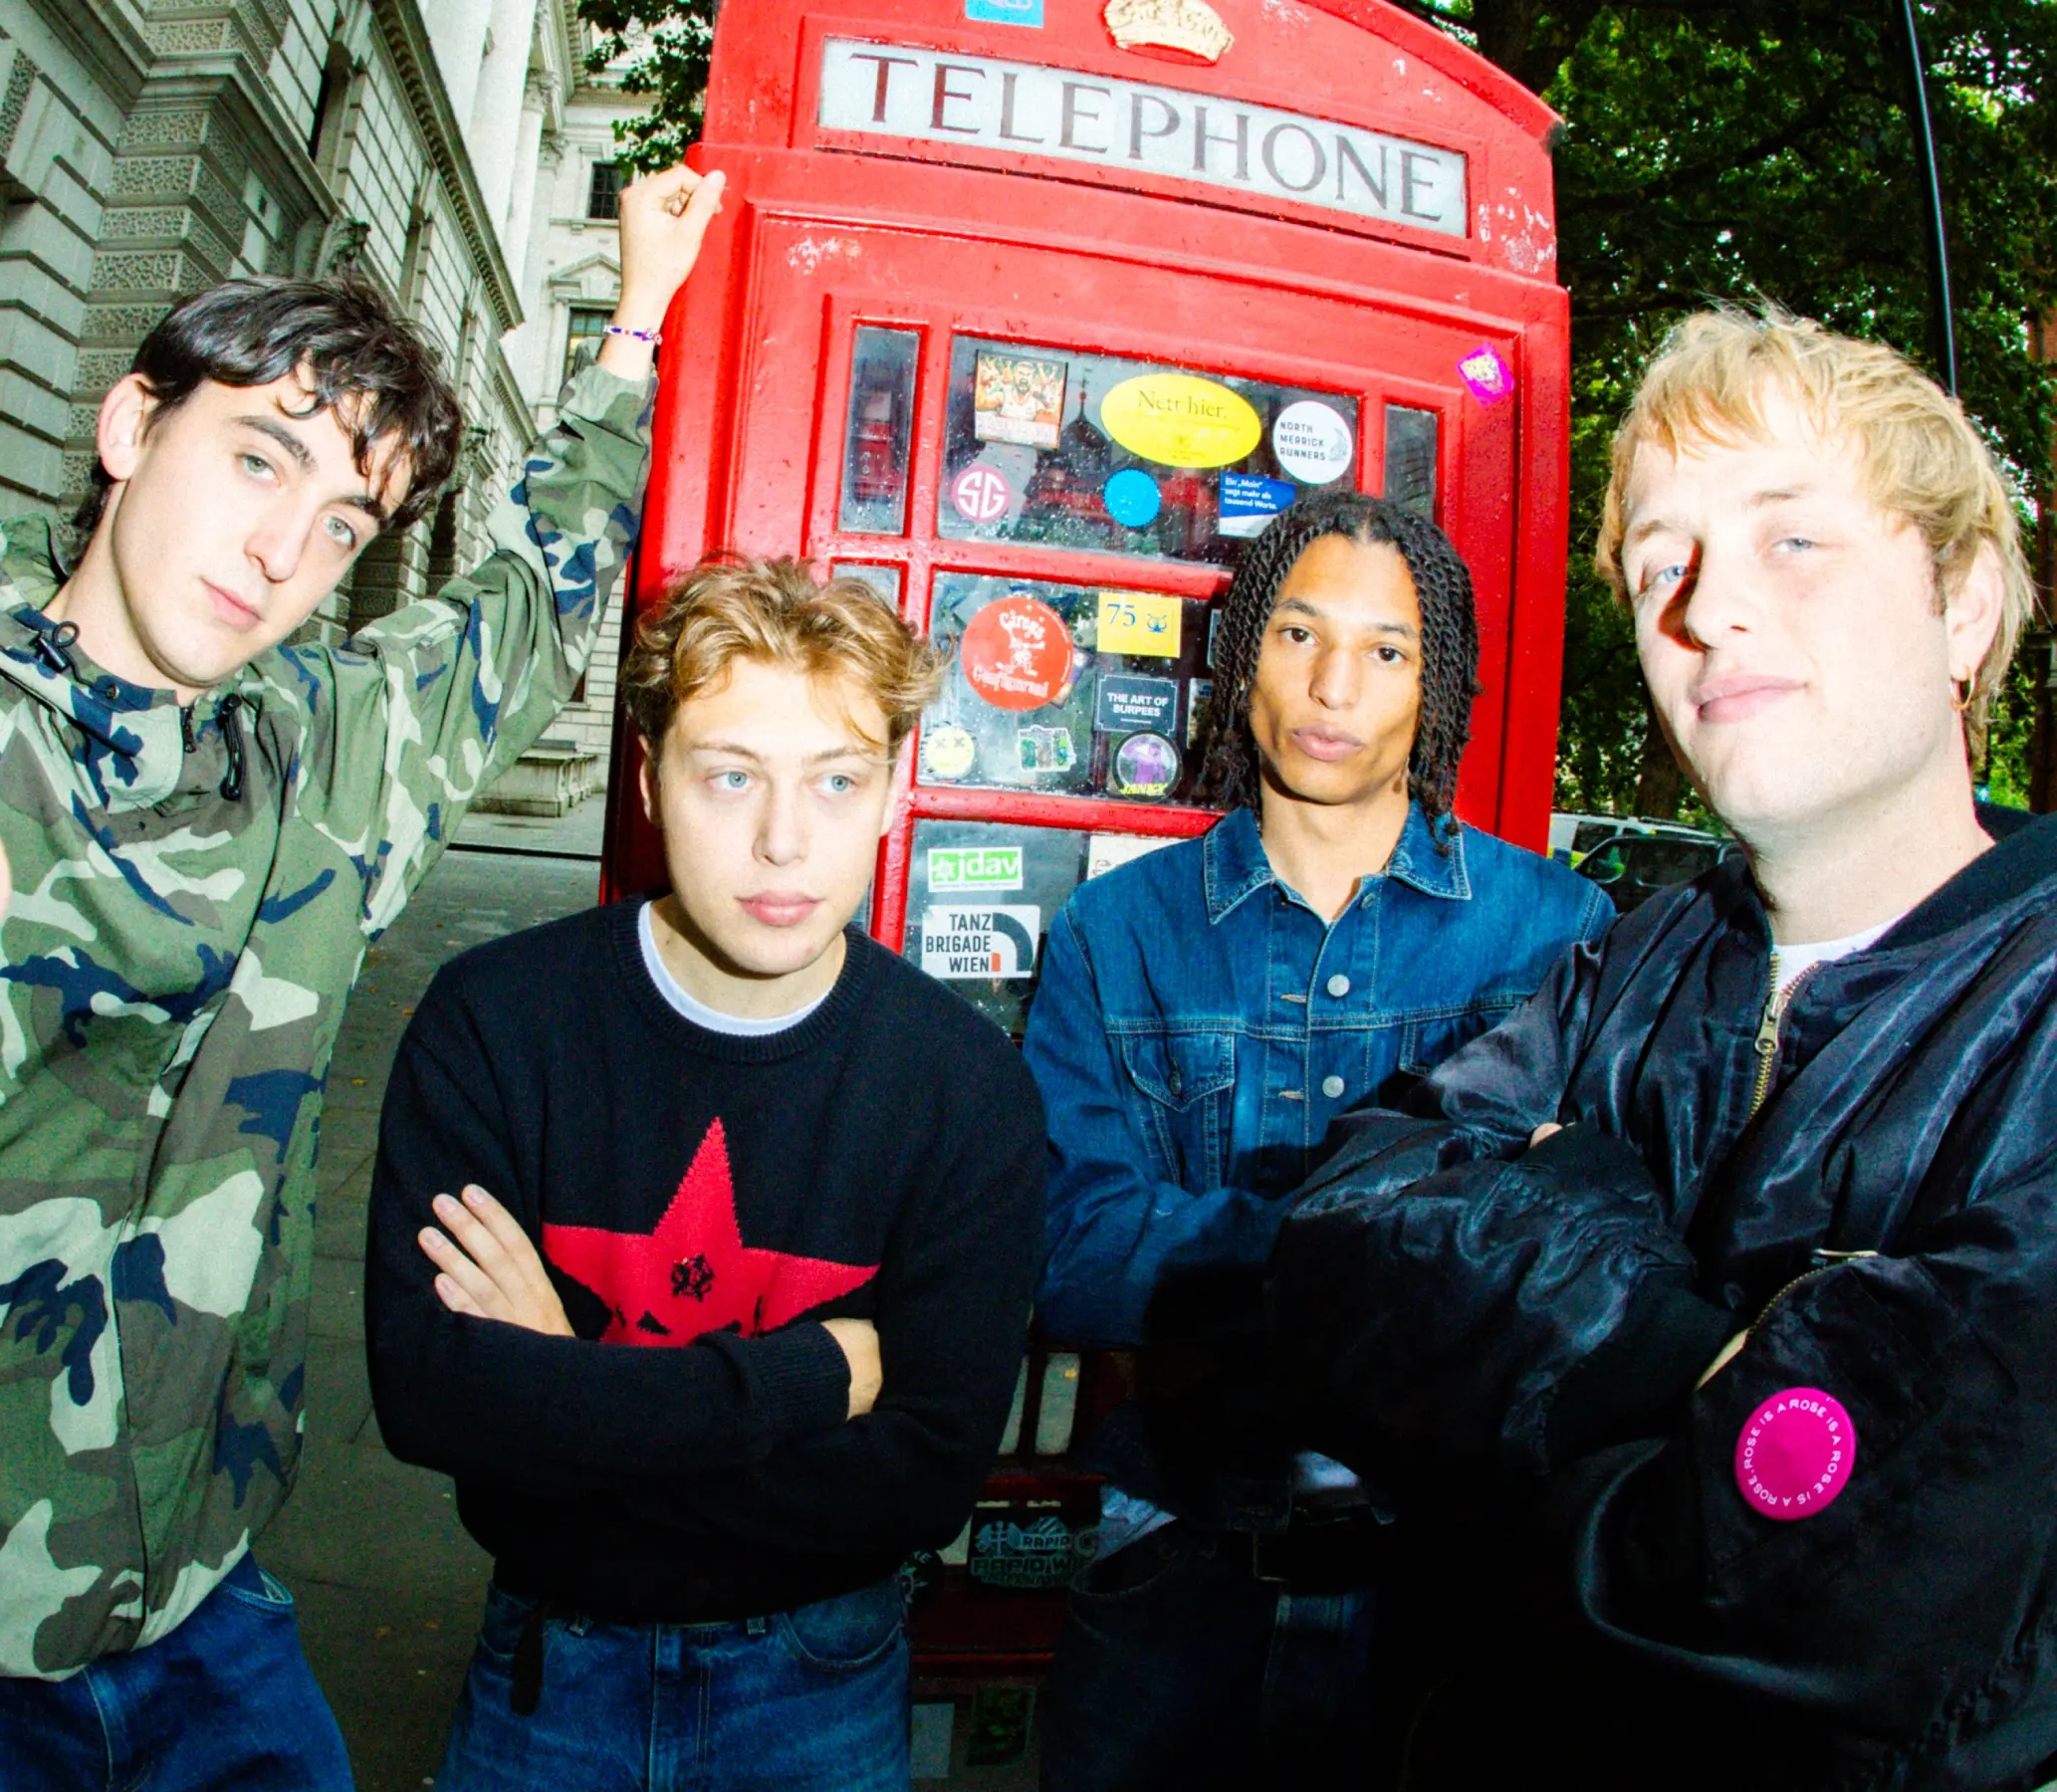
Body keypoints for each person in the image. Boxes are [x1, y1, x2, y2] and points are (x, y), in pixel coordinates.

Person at [0, 164, 725, 1788]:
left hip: (205, 1582)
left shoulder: (333, 753)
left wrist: (636, 317)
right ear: (129, 428)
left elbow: (533, 599)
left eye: (344, 522)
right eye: (257, 457)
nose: (284, 548)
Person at [1239, 309, 2050, 1788]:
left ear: (1967, 606)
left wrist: (1553, 1250)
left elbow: (1866, 1596)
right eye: (1665, 562)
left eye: (1791, 540)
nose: (1707, 610)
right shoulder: (1637, 958)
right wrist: (1703, 1358)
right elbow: (1338, 1243)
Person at [364, 558, 1045, 1792]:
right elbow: (430, 1401)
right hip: (547, 1673)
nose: (783, 840)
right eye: (730, 776)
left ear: (892, 794)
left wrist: (562, 1392)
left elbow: (922, 1484)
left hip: (822, 1684)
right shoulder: (494, 1023)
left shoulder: (964, 1087)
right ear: (648, 779)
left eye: (835, 781)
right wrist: (811, 1378)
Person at [1024, 491, 1610, 1791]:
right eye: (1298, 634)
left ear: (1434, 684)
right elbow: (1070, 1256)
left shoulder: (1556, 933)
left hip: (1454, 1594)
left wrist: (1218, 1255)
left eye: (1385, 650)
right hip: (1174, 1574)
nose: (1333, 686)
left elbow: (1584, 1272)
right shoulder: (1115, 934)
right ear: (1243, 656)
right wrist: (1413, 1237)